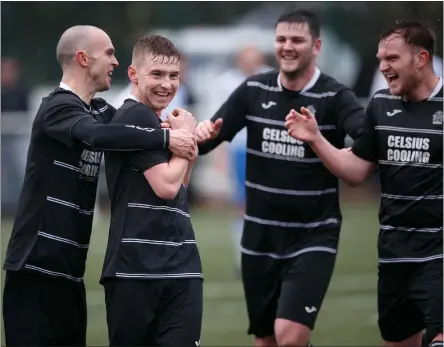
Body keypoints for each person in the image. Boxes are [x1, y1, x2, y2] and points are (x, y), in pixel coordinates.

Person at [2, 25, 195, 347]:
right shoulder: (58, 106)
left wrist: (190, 132)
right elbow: (98, 136)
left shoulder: (101, 111)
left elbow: (128, 125)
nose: (116, 62)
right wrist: (167, 136)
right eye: (109, 53)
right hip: (36, 266)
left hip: (71, 271)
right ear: (82, 58)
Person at [193, 9, 365, 347]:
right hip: (260, 238)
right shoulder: (254, 89)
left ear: (316, 46)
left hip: (312, 235)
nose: (287, 46)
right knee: (267, 340)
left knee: (291, 336)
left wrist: (317, 139)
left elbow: (366, 150)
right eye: (281, 39)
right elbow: (210, 136)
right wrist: (193, 131)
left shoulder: (335, 97)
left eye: (297, 40)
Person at [285, 21, 443, 347]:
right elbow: (356, 171)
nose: (383, 66)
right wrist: (316, 139)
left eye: (392, 58)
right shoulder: (381, 106)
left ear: (421, 58)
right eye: (380, 58)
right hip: (394, 256)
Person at [100, 35, 202, 347]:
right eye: (156, 74)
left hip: (178, 264)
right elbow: (167, 186)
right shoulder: (135, 115)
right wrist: (185, 134)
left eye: (173, 76)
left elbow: (180, 189)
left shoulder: (157, 124)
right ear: (133, 74)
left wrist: (188, 149)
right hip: (138, 269)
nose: (166, 85)